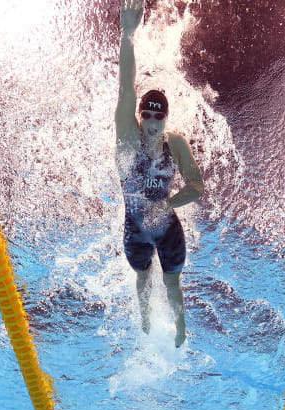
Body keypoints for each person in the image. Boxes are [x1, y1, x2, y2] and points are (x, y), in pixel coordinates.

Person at [116, 0, 205, 348]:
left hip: (168, 231)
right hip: (135, 230)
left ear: (165, 118)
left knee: (172, 284)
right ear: (140, 116)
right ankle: (145, 316)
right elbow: (126, 88)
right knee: (142, 278)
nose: (153, 123)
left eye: (159, 117)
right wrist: (128, 35)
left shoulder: (176, 143)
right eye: (148, 116)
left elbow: (197, 186)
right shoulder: (127, 137)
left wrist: (168, 203)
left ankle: (181, 326)